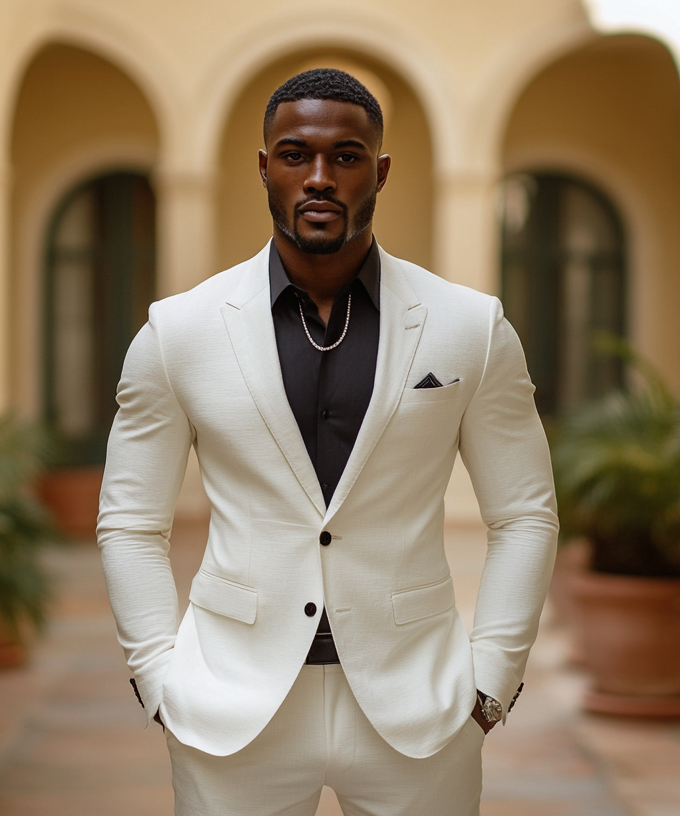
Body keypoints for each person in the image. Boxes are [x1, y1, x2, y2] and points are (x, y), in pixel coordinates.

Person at [97, 68, 558, 816]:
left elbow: (525, 515)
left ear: (378, 172)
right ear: (264, 168)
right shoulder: (177, 331)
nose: (319, 177)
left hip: (421, 704)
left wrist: (492, 682)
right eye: (295, 154)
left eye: (345, 157)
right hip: (231, 706)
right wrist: (159, 679)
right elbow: (129, 520)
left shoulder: (469, 326)